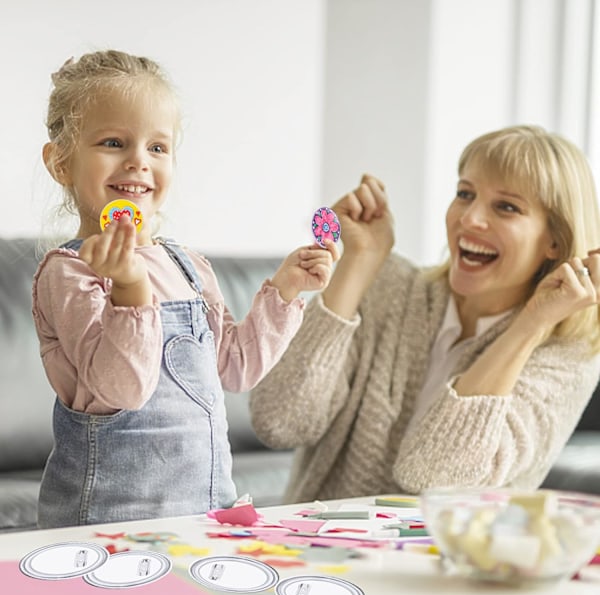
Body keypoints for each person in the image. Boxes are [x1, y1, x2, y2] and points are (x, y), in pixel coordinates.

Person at [32, 49, 338, 528]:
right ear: (61, 162)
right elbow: (123, 389)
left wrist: (286, 289)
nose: (138, 161)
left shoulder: (187, 264)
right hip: (108, 521)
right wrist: (130, 289)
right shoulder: (69, 272)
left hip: (203, 513)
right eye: (114, 142)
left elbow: (235, 369)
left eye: (157, 147)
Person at [250, 125, 600, 504]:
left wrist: (529, 327)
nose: (470, 219)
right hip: (309, 550)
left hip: (445, 562)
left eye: (506, 207)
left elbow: (434, 474)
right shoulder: (388, 287)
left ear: (555, 241)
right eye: (465, 194)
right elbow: (278, 421)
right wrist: (359, 263)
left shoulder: (569, 358)